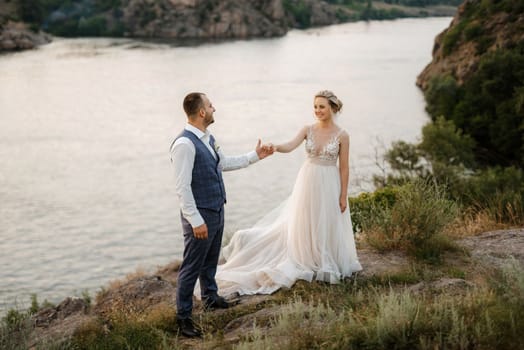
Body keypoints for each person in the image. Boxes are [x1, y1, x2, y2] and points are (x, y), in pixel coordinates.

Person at [213, 90, 362, 297]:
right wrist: (275, 147)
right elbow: (290, 145)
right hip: (308, 180)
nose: (318, 111)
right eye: (315, 107)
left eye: (322, 107)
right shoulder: (307, 129)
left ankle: (324, 258)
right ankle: (306, 254)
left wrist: (343, 195)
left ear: (333, 108)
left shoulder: (342, 135)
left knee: (326, 218)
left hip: (329, 181)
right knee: (306, 218)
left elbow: (344, 167)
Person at [170, 92, 273, 338]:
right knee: (191, 267)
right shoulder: (184, 144)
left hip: (217, 208)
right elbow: (182, 187)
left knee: (210, 261)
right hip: (200, 215)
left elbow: (222, 164)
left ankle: (210, 298)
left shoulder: (208, 138)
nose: (214, 107)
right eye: (210, 105)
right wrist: (195, 220)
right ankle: (183, 318)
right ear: (202, 112)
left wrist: (254, 156)